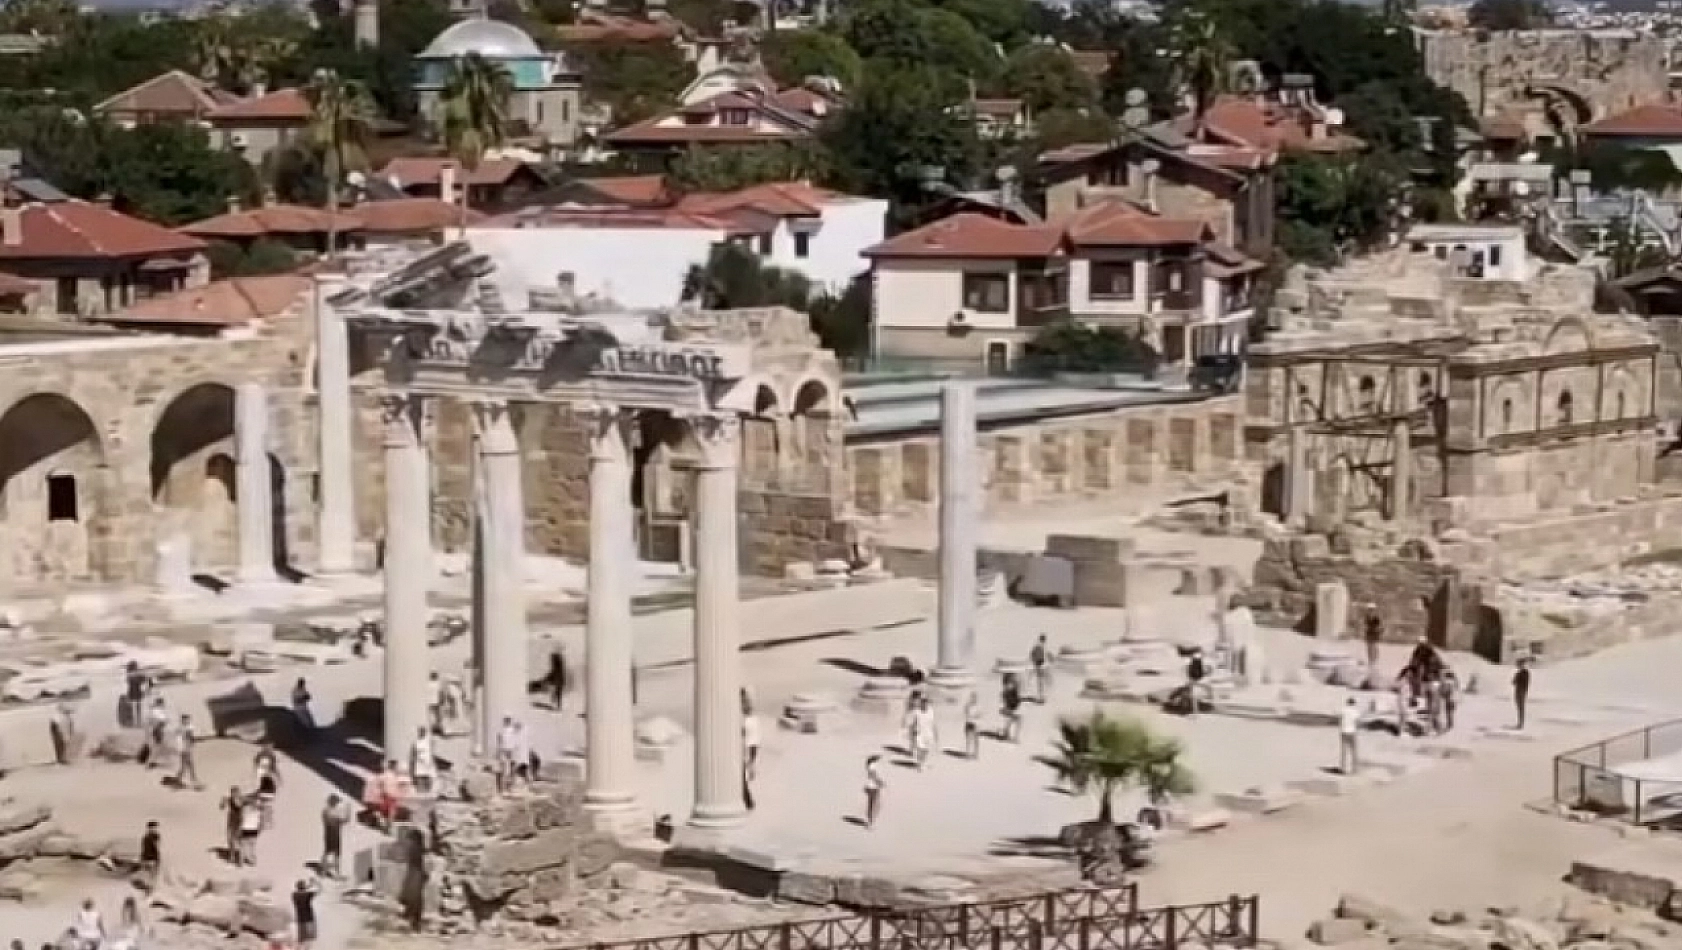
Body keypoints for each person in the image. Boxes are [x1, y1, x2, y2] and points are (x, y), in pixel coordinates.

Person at [320, 794, 351, 880]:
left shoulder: (325, 811)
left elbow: (341, 821)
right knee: (336, 854)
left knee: (327, 852)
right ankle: (336, 874)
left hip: (328, 835)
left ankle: (323, 871)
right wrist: (348, 811)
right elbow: (344, 821)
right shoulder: (331, 812)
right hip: (335, 835)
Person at [368, 761, 403, 831]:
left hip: (390, 796)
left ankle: (387, 826)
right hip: (389, 796)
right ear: (393, 767)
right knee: (387, 812)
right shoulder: (390, 775)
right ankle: (385, 826)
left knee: (388, 812)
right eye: (396, 767)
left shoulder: (392, 775)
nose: (397, 768)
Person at [495, 717, 526, 793]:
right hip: (504, 751)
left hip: (511, 751)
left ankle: (509, 787)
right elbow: (499, 742)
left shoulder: (512, 730)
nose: (507, 721)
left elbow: (518, 728)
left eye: (508, 720)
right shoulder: (501, 730)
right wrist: (499, 751)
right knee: (504, 770)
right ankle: (502, 789)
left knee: (512, 770)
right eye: (506, 720)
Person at [253, 744, 281, 830]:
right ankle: (266, 821)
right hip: (266, 783)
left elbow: (273, 767)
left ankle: (265, 821)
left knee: (265, 803)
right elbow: (256, 762)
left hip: (267, 785)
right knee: (265, 804)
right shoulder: (262, 756)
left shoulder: (269, 757)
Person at [905, 695, 936, 769]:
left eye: (926, 704)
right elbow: (911, 723)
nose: (925, 705)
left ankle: (923, 763)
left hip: (928, 733)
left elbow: (933, 723)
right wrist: (911, 733)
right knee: (920, 749)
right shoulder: (916, 712)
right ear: (921, 704)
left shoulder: (931, 711)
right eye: (923, 703)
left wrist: (935, 734)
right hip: (919, 733)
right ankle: (920, 764)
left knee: (926, 750)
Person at [173, 715, 201, 790]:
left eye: (188, 720)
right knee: (189, 766)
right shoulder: (188, 728)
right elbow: (190, 737)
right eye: (186, 720)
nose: (188, 721)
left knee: (185, 766)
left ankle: (178, 781)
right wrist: (195, 741)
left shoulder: (180, 728)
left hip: (183, 749)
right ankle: (195, 783)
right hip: (185, 749)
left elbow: (181, 736)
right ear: (183, 720)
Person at [292, 878, 319, 949]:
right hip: (309, 919)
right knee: (309, 939)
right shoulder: (308, 894)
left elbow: (303, 891)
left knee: (301, 939)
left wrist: (308, 886)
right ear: (304, 886)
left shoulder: (294, 895)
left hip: (300, 919)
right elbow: (319, 890)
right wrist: (315, 883)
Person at [144, 696, 170, 769]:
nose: (164, 705)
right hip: (157, 729)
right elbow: (160, 721)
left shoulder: (155, 710)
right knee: (158, 746)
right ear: (160, 703)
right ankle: (150, 762)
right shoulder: (157, 711)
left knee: (159, 746)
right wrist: (166, 721)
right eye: (163, 703)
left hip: (156, 729)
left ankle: (152, 762)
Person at [222, 787, 246, 866]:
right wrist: (223, 801)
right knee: (230, 839)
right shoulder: (229, 800)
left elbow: (239, 806)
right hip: (231, 821)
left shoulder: (241, 800)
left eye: (235, 793)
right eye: (232, 793)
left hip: (238, 821)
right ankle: (231, 857)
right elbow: (221, 807)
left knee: (239, 841)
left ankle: (240, 860)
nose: (233, 795)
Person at [410, 726, 436, 795]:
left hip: (428, 765)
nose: (421, 733)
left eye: (423, 731)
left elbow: (432, 751)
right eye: (420, 731)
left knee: (429, 784)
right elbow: (413, 754)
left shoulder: (429, 741)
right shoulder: (415, 742)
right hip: (419, 765)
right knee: (420, 783)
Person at [1338, 697, 1361, 775]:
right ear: (1354, 704)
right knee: (1353, 751)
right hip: (1352, 731)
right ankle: (1354, 768)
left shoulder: (1343, 710)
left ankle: (1343, 768)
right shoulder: (1355, 712)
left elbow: (1339, 718)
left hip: (1343, 731)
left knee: (1344, 751)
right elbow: (1357, 721)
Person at [1185, 649, 1210, 715]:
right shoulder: (1197, 662)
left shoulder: (1194, 662)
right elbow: (1200, 672)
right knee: (1195, 696)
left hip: (1195, 679)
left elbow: (1190, 671)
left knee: (1194, 696)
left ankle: (1195, 712)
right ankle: (1195, 712)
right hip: (1196, 679)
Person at [863, 755, 884, 829]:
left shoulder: (869, 767)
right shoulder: (872, 768)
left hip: (870, 787)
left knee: (872, 805)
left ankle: (870, 821)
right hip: (873, 788)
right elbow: (874, 776)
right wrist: (880, 782)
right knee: (874, 805)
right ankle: (870, 822)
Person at [1001, 672, 1023, 743]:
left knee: (1014, 721)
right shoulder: (1005, 693)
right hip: (1009, 709)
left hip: (1013, 708)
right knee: (1012, 720)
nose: (1011, 685)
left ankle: (1010, 735)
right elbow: (1006, 703)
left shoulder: (1014, 690)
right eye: (1009, 684)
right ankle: (1009, 735)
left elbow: (1018, 699)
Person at [138, 820, 161, 885]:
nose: (154, 829)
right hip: (149, 858)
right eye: (152, 827)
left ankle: (149, 885)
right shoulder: (147, 837)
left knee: (152, 874)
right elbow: (145, 848)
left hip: (152, 858)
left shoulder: (154, 836)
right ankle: (147, 885)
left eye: (155, 827)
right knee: (148, 873)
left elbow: (156, 848)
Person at [1029, 635, 1051, 702]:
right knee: (1040, 681)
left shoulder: (1041, 646)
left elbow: (1032, 654)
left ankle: (1041, 696)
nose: (1044, 641)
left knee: (1041, 681)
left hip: (1040, 665)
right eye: (1044, 639)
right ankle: (1040, 697)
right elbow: (1032, 654)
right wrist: (1035, 663)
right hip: (1039, 665)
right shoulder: (1039, 646)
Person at [1513, 656, 1532, 730]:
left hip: (1521, 691)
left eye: (1518, 664)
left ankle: (1521, 723)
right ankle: (1520, 722)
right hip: (1518, 690)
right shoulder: (1519, 673)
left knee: (1521, 707)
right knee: (1519, 707)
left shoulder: (1524, 672)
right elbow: (1514, 681)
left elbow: (1524, 682)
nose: (1517, 666)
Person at [963, 691, 981, 759]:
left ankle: (976, 754)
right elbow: (967, 714)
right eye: (973, 697)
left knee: (976, 740)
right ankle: (968, 754)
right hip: (969, 723)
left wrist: (976, 716)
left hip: (975, 724)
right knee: (969, 740)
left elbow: (980, 714)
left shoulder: (978, 706)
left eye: (975, 697)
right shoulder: (968, 705)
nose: (974, 699)